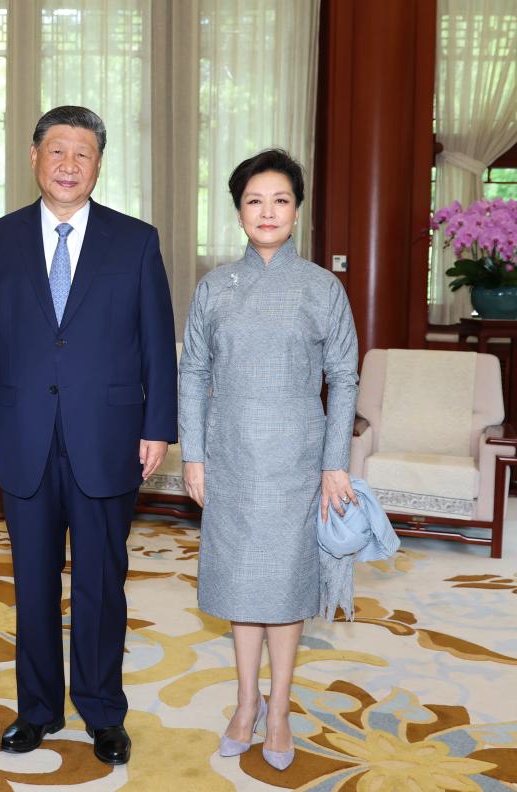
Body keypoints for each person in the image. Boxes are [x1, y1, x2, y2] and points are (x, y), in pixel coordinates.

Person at [0, 106, 177, 766]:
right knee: (30, 584)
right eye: (55, 150)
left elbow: (156, 346)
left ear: (98, 165)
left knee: (100, 582)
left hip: (109, 437)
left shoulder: (135, 240)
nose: (67, 164)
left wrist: (158, 426)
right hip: (21, 437)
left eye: (81, 153)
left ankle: (101, 709)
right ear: (33, 157)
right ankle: (36, 709)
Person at [178, 149, 358, 771]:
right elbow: (193, 371)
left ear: (297, 210)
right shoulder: (213, 287)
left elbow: (344, 375)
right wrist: (193, 457)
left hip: (298, 460)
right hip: (229, 458)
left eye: (280, 199)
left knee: (285, 587)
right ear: (238, 212)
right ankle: (244, 700)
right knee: (241, 586)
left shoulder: (321, 287)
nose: (268, 211)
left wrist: (335, 462)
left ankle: (279, 707)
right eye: (254, 200)